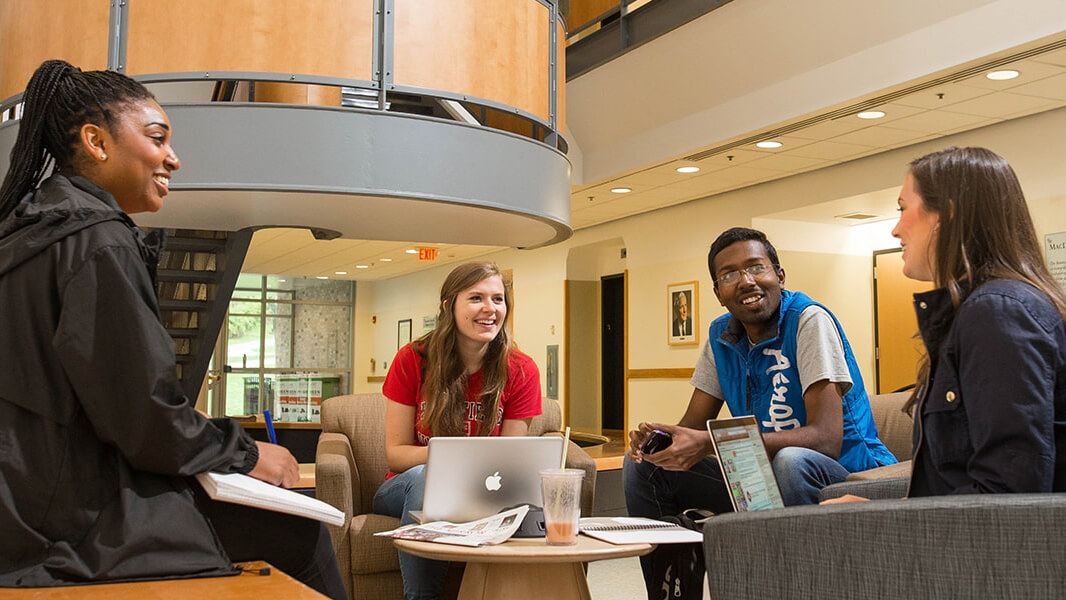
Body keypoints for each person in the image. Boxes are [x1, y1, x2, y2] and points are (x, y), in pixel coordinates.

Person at [0, 60, 344, 597]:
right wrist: (250, 454)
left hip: (21, 500)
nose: (173, 158)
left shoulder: (32, 230)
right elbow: (143, 417)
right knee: (299, 528)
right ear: (96, 141)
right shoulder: (99, 240)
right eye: (157, 138)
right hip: (70, 522)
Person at [623, 227, 896, 593]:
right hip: (757, 480)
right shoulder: (721, 336)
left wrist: (708, 443)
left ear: (779, 276)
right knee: (646, 465)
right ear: (719, 293)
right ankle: (674, 579)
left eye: (756, 268)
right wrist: (660, 440)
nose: (746, 281)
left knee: (791, 460)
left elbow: (826, 439)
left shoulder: (809, 320)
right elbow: (692, 425)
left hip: (844, 471)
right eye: (730, 275)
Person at [890, 147, 1065, 495]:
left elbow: (1008, 492)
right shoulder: (988, 308)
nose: (896, 229)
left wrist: (876, 524)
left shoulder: (997, 312)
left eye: (902, 209)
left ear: (946, 215)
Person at [372, 261, 543, 600]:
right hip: (406, 487)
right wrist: (451, 459)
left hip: (480, 494)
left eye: (498, 299)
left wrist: (466, 466)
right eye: (476, 298)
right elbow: (396, 453)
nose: (489, 309)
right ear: (449, 305)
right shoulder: (412, 359)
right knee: (425, 476)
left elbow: (508, 462)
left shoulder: (522, 370)